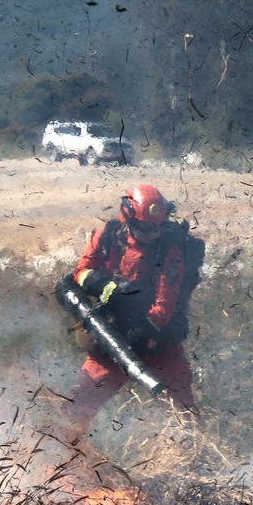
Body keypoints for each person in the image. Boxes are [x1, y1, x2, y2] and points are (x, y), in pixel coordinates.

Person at [59, 184, 203, 450]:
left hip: (157, 341)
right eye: (148, 229)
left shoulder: (169, 250)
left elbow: (165, 303)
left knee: (181, 408)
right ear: (128, 220)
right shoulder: (106, 238)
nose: (155, 234)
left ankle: (196, 458)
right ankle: (61, 462)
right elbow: (81, 271)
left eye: (158, 227)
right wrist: (103, 285)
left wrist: (141, 332)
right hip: (112, 336)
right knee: (78, 405)